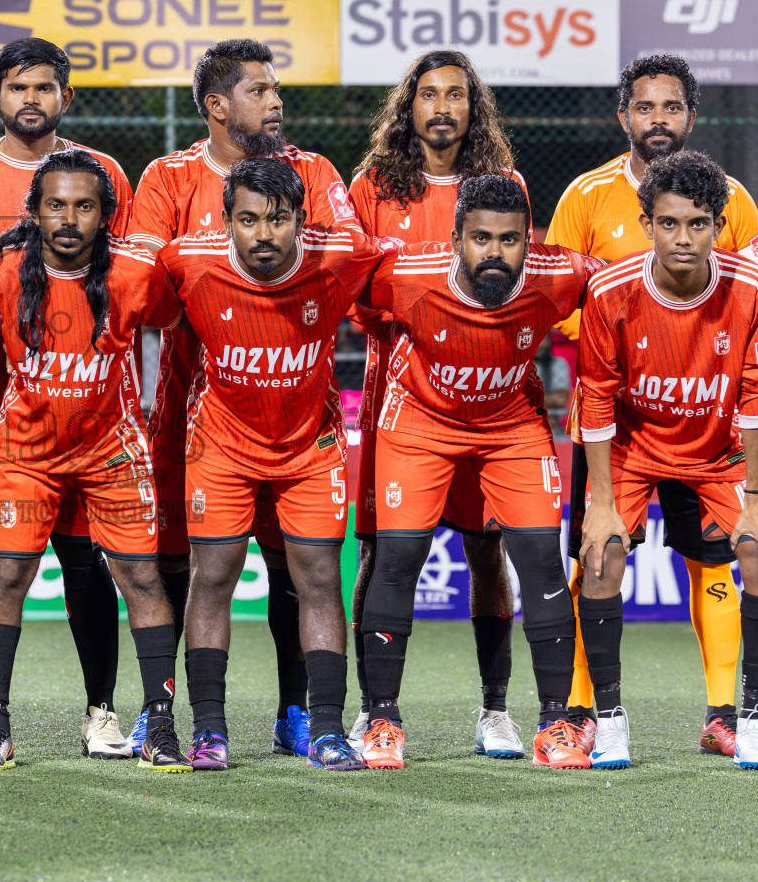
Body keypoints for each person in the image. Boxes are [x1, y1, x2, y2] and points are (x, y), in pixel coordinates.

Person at [548, 54, 758, 755]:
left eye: (672, 107)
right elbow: (555, 303)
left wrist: (698, 333)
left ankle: (725, 713)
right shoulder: (586, 197)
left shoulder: (732, 198)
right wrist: (623, 333)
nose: (659, 119)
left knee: (717, 559)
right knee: (596, 553)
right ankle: (589, 713)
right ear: (624, 116)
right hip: (615, 426)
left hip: (708, 419)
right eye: (646, 108)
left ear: (690, 117)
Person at [126, 38, 359, 756]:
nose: (277, 101)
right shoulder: (168, 179)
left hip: (295, 413)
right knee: (181, 565)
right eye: (259, 90)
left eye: (277, 88)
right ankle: (164, 711)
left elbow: (348, 246)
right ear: (218, 106)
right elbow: (142, 284)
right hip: (196, 412)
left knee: (300, 570)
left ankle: (300, 714)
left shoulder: (313, 172)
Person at [0, 148, 191, 773]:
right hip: (24, 453)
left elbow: (178, 321)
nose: (68, 218)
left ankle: (160, 722)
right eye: (56, 205)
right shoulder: (1, 270)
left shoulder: (135, 273)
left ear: (106, 215)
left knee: (142, 582)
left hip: (114, 450)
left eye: (84, 206)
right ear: (35, 212)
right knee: (5, 579)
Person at [0, 37, 134, 757]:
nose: (31, 99)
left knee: (85, 560)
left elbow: (122, 283)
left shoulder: (102, 173)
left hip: (81, 407)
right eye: (17, 88)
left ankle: (101, 710)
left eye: (44, 87)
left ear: (64, 98)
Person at [356, 175, 599, 770]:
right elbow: (332, 283)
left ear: (530, 239)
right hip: (419, 422)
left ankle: (555, 725)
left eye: (511, 239)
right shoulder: (407, 274)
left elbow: (634, 288)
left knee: (540, 559)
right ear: (457, 236)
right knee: (398, 558)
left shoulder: (561, 274)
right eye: (481, 238)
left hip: (510, 422)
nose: (496, 252)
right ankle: (382, 719)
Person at [159, 157, 386, 771]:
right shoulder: (189, 262)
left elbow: (411, 262)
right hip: (221, 448)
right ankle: (209, 731)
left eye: (279, 220)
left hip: (308, 449)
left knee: (317, 580)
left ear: (302, 222)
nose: (264, 234)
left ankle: (329, 731)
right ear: (225, 220)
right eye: (249, 220)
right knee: (212, 579)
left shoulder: (339, 260)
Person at [346, 49, 527, 757]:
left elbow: (513, 285)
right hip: (397, 391)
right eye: (429, 95)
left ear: (472, 109)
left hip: (483, 398)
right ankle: (374, 710)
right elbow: (357, 294)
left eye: (457, 95)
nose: (443, 107)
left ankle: (495, 711)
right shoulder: (373, 187)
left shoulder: (503, 184)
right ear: (409, 107)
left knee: (488, 551)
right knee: (385, 554)